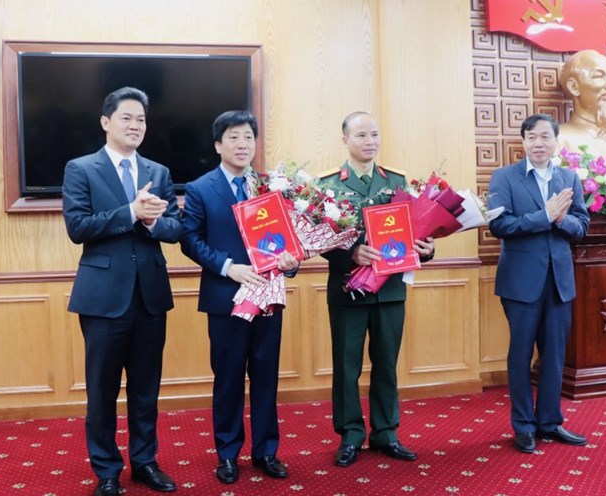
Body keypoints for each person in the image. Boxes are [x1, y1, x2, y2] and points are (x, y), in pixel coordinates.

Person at [62, 87, 181, 496]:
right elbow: (78, 227)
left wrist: (152, 222)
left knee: (146, 389)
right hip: (102, 298)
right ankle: (107, 471)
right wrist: (130, 212)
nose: (135, 125)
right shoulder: (81, 168)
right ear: (106, 122)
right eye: (126, 118)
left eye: (141, 119)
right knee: (102, 391)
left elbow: (175, 228)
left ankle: (145, 462)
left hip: (150, 296)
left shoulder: (158, 172)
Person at [180, 110, 300, 484]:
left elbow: (289, 239)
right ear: (218, 145)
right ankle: (228, 454)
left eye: (248, 136)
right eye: (233, 137)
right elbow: (189, 240)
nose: (242, 144)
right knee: (229, 378)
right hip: (226, 297)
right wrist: (228, 267)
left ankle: (266, 451)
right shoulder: (200, 188)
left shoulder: (271, 187)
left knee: (266, 377)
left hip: (268, 297)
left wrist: (291, 261)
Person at [318, 111, 435, 468]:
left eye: (374, 134)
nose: (370, 142)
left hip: (390, 291)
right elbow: (319, 239)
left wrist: (427, 248)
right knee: (347, 367)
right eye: (361, 135)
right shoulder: (328, 185)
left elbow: (415, 229)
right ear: (345, 140)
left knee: (386, 364)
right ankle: (351, 434)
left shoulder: (397, 181)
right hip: (347, 290)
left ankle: (386, 432)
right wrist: (350, 254)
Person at [487, 113, 590, 454]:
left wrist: (561, 220)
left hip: (559, 281)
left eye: (545, 137)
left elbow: (582, 226)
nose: (538, 143)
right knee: (520, 354)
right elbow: (499, 226)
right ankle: (523, 425)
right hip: (520, 282)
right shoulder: (505, 177)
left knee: (555, 354)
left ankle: (549, 421)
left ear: (556, 142)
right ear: (523, 142)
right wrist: (543, 216)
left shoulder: (568, 178)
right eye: (531, 137)